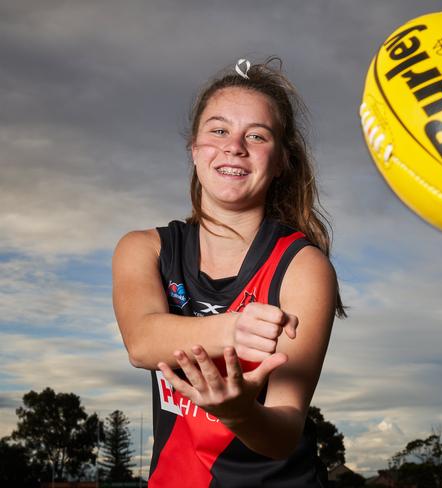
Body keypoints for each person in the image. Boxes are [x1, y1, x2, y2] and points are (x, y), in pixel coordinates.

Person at [112, 58, 345, 487]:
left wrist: (240, 413)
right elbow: (142, 342)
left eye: (256, 136)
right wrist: (233, 330)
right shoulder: (143, 248)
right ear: (194, 148)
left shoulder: (303, 266)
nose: (234, 146)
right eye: (218, 130)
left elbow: (283, 431)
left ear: (281, 162)